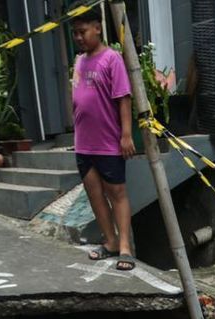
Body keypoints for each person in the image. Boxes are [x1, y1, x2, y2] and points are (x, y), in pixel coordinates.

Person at [71, 7, 137, 271]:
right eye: (74, 32)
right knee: (94, 194)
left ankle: (124, 247)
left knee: (117, 193)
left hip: (108, 142)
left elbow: (123, 98)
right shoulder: (78, 61)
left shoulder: (112, 59)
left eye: (83, 31)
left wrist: (126, 135)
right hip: (83, 143)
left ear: (97, 28)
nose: (78, 37)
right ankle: (109, 242)